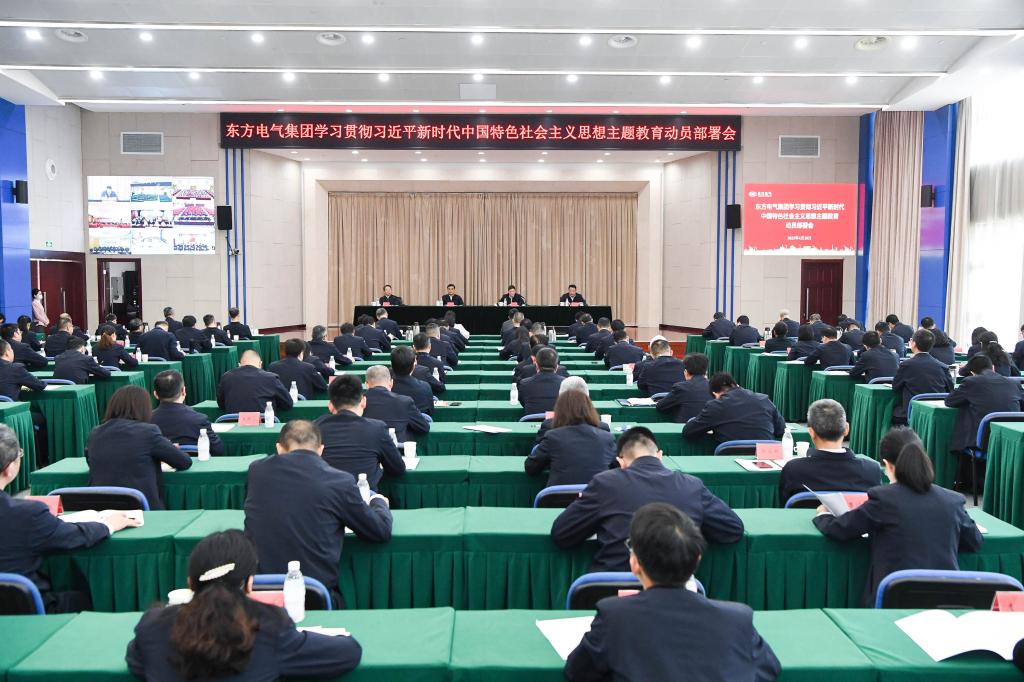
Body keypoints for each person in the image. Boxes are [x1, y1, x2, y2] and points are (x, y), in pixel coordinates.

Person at [564, 503, 780, 682]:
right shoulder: (737, 618)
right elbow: (768, 669)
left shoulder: (614, 616)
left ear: (635, 563)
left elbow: (577, 672)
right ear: (697, 560)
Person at [126, 529, 362, 678]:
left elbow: (137, 663)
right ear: (249, 583)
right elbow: (348, 652)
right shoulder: (270, 626)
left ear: (190, 583)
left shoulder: (153, 626)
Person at [813, 428, 983, 606]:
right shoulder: (952, 500)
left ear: (888, 465)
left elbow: (841, 528)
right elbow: (974, 541)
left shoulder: (884, 499)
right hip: (944, 602)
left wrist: (824, 514)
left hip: (894, 600)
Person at [551, 427, 744, 572]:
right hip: (675, 590)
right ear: (660, 456)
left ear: (620, 462)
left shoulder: (604, 483)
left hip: (611, 589)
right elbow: (732, 529)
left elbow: (562, 534)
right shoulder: (692, 485)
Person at [244, 421, 393, 608]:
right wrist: (378, 502)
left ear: (279, 448)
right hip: (315, 597)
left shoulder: (256, 471)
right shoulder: (339, 481)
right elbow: (379, 531)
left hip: (260, 596)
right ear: (321, 450)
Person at [0, 423, 139, 612]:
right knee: (82, 598)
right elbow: (73, 536)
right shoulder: (28, 515)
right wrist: (108, 524)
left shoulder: (27, 514)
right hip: (24, 613)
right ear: (9, 468)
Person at [86, 385, 192, 510]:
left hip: (101, 508)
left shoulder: (95, 433)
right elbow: (184, 462)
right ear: (144, 408)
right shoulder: (148, 432)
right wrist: (166, 451)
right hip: (141, 509)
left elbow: (90, 460)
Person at [777, 399, 882, 506]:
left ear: (811, 432)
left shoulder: (794, 469)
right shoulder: (872, 470)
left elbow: (785, 506)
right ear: (846, 429)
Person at [315, 374, 405, 488]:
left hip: (325, 495)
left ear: (330, 405)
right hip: (364, 496)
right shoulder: (377, 428)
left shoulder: (315, 428)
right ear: (363, 401)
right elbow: (397, 468)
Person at [525, 389, 616, 486]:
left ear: (559, 410)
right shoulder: (607, 438)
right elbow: (618, 467)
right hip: (599, 494)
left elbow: (531, 467)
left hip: (559, 495)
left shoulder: (553, 436)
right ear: (590, 409)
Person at [945, 355, 1024, 454]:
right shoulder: (1014, 383)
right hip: (1012, 442)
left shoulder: (971, 382)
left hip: (983, 442)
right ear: (993, 368)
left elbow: (949, 401)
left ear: (972, 372)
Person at [683, 372, 786, 443]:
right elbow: (781, 430)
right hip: (766, 456)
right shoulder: (763, 399)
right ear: (736, 385)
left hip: (731, 457)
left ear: (715, 394)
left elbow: (689, 432)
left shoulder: (715, 405)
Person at [150, 370, 224, 455]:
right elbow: (218, 449)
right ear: (184, 391)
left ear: (155, 394)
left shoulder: (147, 420)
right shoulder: (199, 419)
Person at [891, 329, 953, 425]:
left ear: (914, 344)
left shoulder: (906, 365)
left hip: (913, 411)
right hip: (936, 413)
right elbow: (950, 389)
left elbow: (895, 387)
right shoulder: (943, 366)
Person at [362, 365, 430, 443]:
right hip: (398, 448)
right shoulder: (405, 401)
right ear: (391, 383)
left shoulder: (358, 403)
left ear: (366, 384)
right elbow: (424, 427)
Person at [217, 350, 293, 414]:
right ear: (260, 364)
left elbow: (221, 405)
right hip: (262, 424)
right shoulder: (271, 378)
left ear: (239, 365)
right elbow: (288, 403)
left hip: (232, 423)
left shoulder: (226, 377)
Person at [655, 353, 712, 424]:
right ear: (706, 372)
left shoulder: (681, 387)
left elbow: (660, 406)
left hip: (685, 428)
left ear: (686, 372)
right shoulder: (715, 387)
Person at [391, 346, 438, 413]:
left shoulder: (385, 388)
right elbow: (430, 412)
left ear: (392, 365)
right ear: (414, 365)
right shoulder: (425, 387)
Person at [518, 347, 565, 415]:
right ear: (557, 366)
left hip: (531, 420)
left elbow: (523, 402)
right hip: (557, 421)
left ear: (536, 365)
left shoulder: (524, 383)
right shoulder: (565, 383)